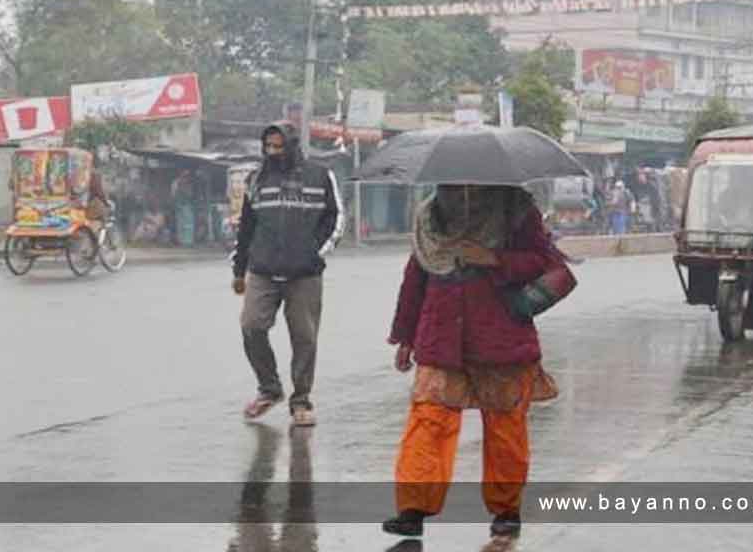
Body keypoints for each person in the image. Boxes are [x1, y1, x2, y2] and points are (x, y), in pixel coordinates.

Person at [382, 185, 563, 539]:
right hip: (440, 334)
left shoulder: (517, 210)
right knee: (428, 418)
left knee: (505, 427)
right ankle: (413, 508)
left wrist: (493, 259)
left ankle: (506, 508)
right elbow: (416, 276)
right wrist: (405, 335)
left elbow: (544, 262)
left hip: (500, 335)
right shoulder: (431, 216)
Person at [231, 123, 345, 427]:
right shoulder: (256, 179)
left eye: (278, 146)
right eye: (268, 146)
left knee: (304, 339)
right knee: (252, 326)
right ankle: (269, 389)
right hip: (263, 271)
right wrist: (239, 270)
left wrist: (313, 253)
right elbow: (246, 228)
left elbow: (335, 220)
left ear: (291, 145)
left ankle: (301, 401)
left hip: (304, 275)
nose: (272, 152)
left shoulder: (320, 176)